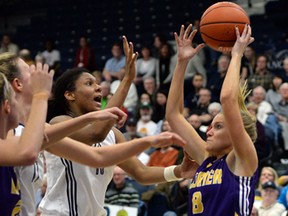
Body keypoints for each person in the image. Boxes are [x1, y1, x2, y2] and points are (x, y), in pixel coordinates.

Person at [39, 37, 198, 215]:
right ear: (70, 95)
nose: (98, 88)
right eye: (89, 83)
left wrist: (179, 171)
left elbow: (141, 173)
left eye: (97, 83)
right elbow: (95, 133)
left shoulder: (113, 135)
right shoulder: (58, 124)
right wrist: (127, 80)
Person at [166, 24, 258, 215]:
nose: (208, 131)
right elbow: (173, 115)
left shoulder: (241, 160)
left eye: (217, 126)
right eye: (210, 126)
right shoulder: (206, 159)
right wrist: (182, 62)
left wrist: (236, 55)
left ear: (235, 133)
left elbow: (227, 99)